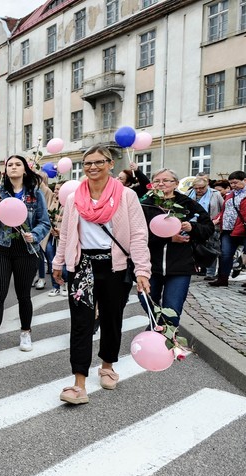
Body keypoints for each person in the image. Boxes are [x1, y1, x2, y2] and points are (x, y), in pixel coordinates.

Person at [52, 145, 151, 405]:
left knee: (111, 319)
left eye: (98, 162)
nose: (92, 167)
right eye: (87, 163)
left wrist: (142, 270)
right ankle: (78, 383)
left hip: (114, 264)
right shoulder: (74, 199)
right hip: (82, 265)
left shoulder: (126, 196)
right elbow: (66, 234)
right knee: (81, 324)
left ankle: (107, 365)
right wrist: (58, 261)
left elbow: (139, 235)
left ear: (110, 164)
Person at [0, 155, 50, 357]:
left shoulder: (35, 193)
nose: (13, 167)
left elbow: (44, 222)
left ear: (25, 170)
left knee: (24, 295)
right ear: (5, 171)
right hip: (1, 249)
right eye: (10, 165)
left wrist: (36, 235)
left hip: (26, 250)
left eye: (17, 164)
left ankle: (25, 332)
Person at [140, 169, 214, 327]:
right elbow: (136, 235)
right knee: (148, 303)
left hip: (180, 266)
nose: (161, 184)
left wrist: (191, 228)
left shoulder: (188, 204)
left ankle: (164, 342)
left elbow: (208, 229)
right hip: (150, 265)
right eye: (157, 181)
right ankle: (157, 334)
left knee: (172, 312)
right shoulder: (145, 205)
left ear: (176, 184)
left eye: (166, 180)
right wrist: (168, 238)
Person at [210, 171, 246, 288]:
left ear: (245, 180)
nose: (233, 185)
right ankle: (222, 278)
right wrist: (218, 219)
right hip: (228, 229)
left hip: (245, 229)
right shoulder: (230, 194)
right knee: (225, 254)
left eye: (235, 182)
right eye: (231, 183)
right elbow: (225, 210)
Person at [187, 176, 224, 279]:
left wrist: (217, 219)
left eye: (201, 188)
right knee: (195, 247)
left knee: (211, 247)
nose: (199, 190)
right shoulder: (188, 195)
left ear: (207, 185)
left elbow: (223, 209)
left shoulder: (215, 194)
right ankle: (196, 268)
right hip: (193, 225)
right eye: (196, 188)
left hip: (211, 225)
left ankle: (210, 273)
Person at [46, 181, 67, 296]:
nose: (55, 191)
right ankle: (55, 286)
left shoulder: (68, 203)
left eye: (58, 189)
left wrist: (58, 218)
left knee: (62, 262)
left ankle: (64, 283)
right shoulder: (54, 201)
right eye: (55, 189)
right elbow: (48, 215)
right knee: (51, 259)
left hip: (62, 236)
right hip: (51, 235)